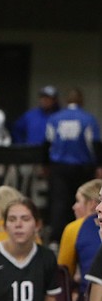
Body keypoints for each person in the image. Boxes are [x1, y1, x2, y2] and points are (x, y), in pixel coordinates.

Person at [45, 88, 102, 244]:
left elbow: (47, 144)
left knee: (59, 203)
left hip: (59, 167)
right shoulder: (88, 119)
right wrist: (98, 166)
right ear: (81, 101)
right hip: (82, 168)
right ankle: (85, 235)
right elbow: (94, 145)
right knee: (85, 200)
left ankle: (56, 239)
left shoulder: (54, 119)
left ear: (66, 100)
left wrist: (46, 165)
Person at [57, 178, 102, 301]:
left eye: (78, 201)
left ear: (92, 204)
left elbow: (63, 275)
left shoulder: (75, 228)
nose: (74, 207)